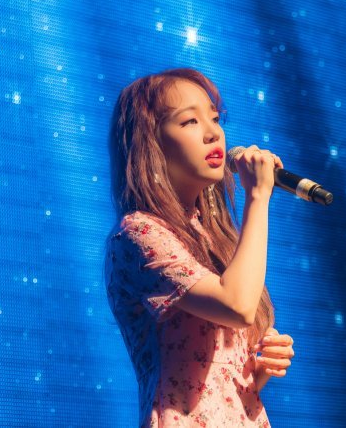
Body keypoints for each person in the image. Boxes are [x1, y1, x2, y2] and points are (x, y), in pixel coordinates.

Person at [104, 68, 296, 427]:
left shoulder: (209, 237)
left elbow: (216, 383)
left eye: (215, 119)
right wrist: (257, 196)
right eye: (190, 121)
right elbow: (236, 306)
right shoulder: (140, 233)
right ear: (150, 143)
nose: (213, 133)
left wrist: (257, 368)